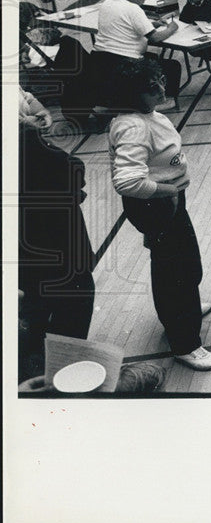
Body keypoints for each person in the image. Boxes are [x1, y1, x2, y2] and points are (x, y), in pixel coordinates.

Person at [107, 57, 211, 370]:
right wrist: (169, 192)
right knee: (174, 273)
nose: (160, 87)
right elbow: (127, 181)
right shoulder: (132, 126)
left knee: (185, 264)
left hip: (167, 202)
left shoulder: (146, 115)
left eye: (159, 80)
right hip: (155, 206)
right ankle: (185, 342)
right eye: (150, 87)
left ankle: (186, 309)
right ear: (131, 94)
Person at [18, 121, 97, 382]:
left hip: (23, 253)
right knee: (74, 302)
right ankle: (63, 372)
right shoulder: (23, 135)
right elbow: (73, 168)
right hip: (58, 247)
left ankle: (34, 365)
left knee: (34, 304)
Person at [90, 0, 182, 114]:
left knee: (152, 57)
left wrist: (152, 25)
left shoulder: (107, 3)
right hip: (125, 61)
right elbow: (155, 38)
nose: (144, 0)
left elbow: (127, 26)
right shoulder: (134, 8)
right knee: (173, 66)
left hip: (100, 58)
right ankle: (166, 101)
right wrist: (172, 28)